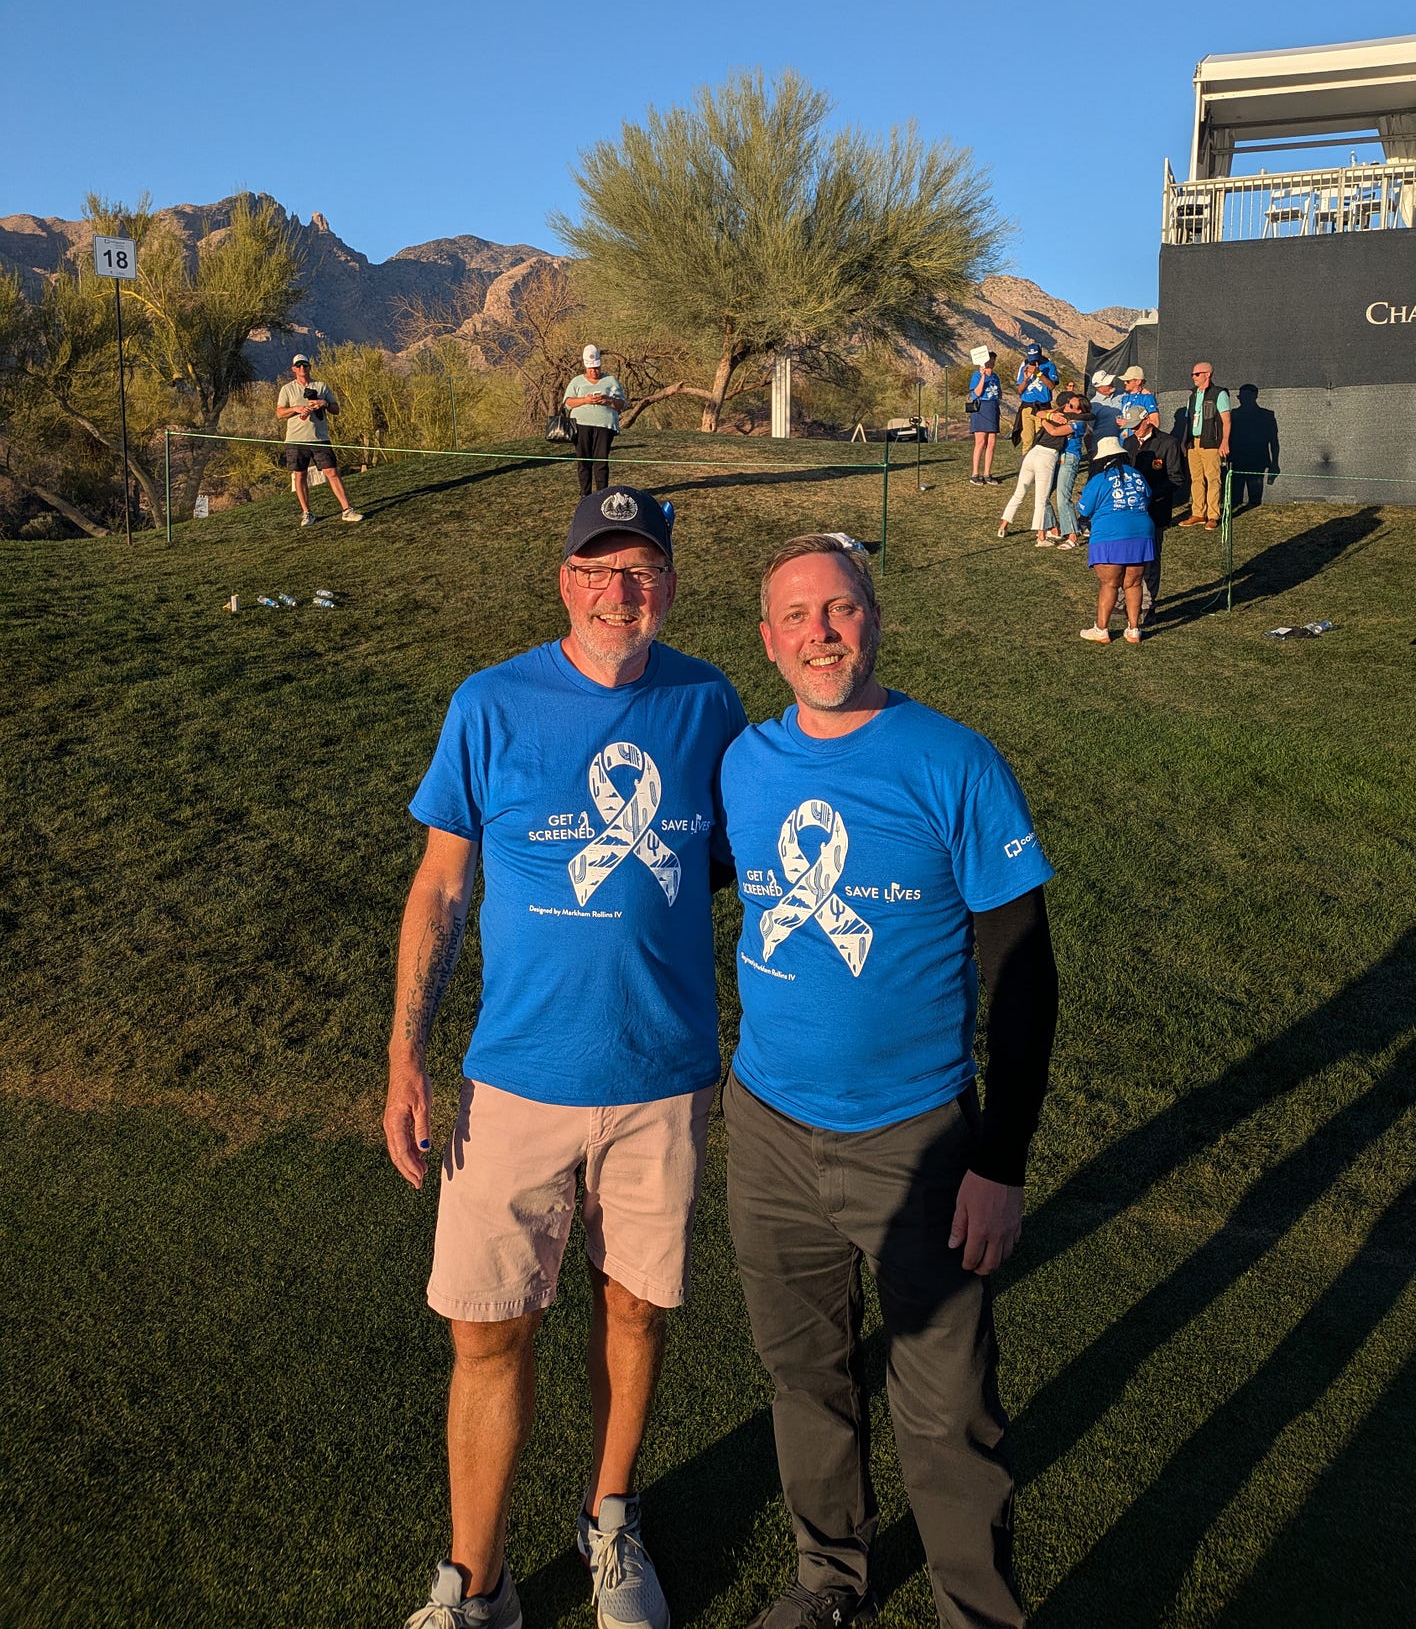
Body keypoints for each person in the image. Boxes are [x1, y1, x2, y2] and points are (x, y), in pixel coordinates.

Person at [386, 486, 746, 1629]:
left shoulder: (707, 701)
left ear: (669, 587)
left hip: (662, 1079)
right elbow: (442, 884)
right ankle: (476, 1584)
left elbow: (732, 862)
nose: (617, 592)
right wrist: (405, 1055)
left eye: (640, 571)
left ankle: (610, 1519)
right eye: (597, 569)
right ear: (564, 582)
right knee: (489, 1330)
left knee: (634, 1313)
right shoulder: (489, 703)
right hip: (516, 1078)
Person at [720, 534, 1058, 1629]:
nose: (820, 633)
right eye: (797, 616)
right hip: (766, 1127)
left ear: (875, 618)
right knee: (804, 1375)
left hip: (917, 1138)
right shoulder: (742, 764)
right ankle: (830, 1581)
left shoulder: (953, 760)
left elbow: (1024, 972)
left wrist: (1000, 1160)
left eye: (840, 608)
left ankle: (977, 1612)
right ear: (768, 642)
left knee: (945, 1407)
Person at [1075, 436, 1156, 644]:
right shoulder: (1137, 475)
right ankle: (1134, 629)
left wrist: (1081, 500)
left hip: (1109, 534)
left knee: (1109, 583)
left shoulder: (1100, 479)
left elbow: (1084, 509)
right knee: (1134, 583)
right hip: (1141, 531)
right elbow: (1147, 497)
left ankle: (1101, 629)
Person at [275, 353, 363, 526]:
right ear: (293, 369)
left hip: (320, 438)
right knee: (300, 475)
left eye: (305, 365)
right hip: (295, 440)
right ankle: (307, 513)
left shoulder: (321, 386)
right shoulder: (287, 389)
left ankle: (347, 510)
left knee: (332, 472)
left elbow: (336, 409)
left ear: (309, 367)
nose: (302, 368)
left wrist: (324, 404)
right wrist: (296, 409)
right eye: (298, 365)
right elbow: (279, 413)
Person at [1128, 410, 1189, 621]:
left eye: (1136, 425)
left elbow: (1176, 478)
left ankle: (1147, 605)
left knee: (1151, 559)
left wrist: (1149, 495)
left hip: (1155, 511)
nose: (1134, 430)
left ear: (1147, 420)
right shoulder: (1128, 443)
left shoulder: (1168, 443)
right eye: (1130, 426)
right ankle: (1123, 602)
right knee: (1128, 557)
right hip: (1131, 513)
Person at [996, 399, 1062, 546]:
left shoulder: (1050, 414)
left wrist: (1048, 417)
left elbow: (1039, 413)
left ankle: (1003, 527)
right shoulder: (1068, 421)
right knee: (1041, 500)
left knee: (1019, 493)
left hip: (1032, 454)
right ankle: (1041, 537)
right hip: (1046, 457)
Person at [564, 345, 627, 497]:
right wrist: (585, 400)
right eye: (591, 368)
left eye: (597, 368)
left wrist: (608, 400)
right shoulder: (577, 381)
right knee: (584, 461)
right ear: (585, 367)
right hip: (581, 425)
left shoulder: (611, 381)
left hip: (604, 426)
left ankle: (601, 495)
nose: (594, 371)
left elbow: (622, 404)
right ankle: (585, 495)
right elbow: (568, 402)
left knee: (601, 462)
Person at [1179, 360, 1232, 530]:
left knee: (1213, 479)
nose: (1193, 377)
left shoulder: (1219, 394)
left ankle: (1213, 515)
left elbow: (1226, 421)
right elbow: (1188, 420)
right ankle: (1198, 513)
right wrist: (1185, 441)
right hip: (1193, 442)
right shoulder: (1193, 395)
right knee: (1196, 479)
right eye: (1192, 374)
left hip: (1211, 443)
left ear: (1207, 375)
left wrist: (1224, 442)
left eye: (1197, 374)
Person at [1043, 387, 1090, 549]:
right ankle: (1053, 527)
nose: (1067, 407)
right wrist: (1049, 415)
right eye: (1068, 403)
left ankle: (1072, 536)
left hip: (1069, 459)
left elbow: (1054, 431)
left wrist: (1044, 420)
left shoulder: (1079, 424)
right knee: (1043, 494)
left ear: (1079, 411)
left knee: (1063, 497)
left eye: (1071, 406)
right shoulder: (1064, 416)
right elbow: (1040, 412)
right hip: (1057, 457)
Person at [1013, 346, 1058, 453]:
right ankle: (1025, 461)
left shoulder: (1049, 365)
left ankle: (1040, 461)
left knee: (1040, 439)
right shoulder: (1024, 366)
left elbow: (1051, 386)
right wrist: (1025, 379)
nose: (1033, 361)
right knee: (1027, 440)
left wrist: (1039, 373)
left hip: (1042, 407)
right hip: (1027, 407)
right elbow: (1019, 390)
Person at [966, 350, 1002, 484]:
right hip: (981, 408)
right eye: (989, 361)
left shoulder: (996, 377)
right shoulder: (976, 375)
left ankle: (987, 474)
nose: (991, 364)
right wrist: (982, 377)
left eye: (993, 361)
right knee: (980, 442)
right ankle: (975, 474)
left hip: (993, 408)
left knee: (991, 443)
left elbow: (999, 393)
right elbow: (976, 393)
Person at [1116, 366, 1159, 438]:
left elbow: (1155, 423)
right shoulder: (1125, 398)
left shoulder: (1146, 398)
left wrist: (1128, 423)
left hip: (1139, 439)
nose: (1125, 383)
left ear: (1138, 381)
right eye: (1124, 380)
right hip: (1124, 440)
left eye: (1128, 381)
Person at [1087, 370, 1124, 448]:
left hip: (1125, 441)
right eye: (1108, 383)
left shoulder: (1122, 394)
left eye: (1111, 381)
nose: (1111, 384)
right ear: (1099, 388)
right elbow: (1089, 431)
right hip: (1106, 446)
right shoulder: (1093, 405)